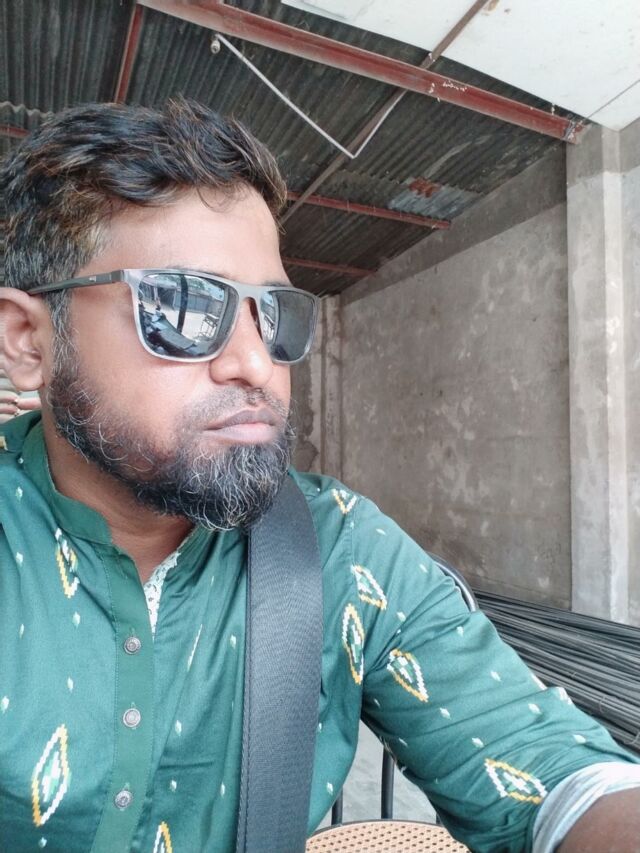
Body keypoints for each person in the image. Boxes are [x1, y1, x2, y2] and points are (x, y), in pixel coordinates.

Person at [0, 100, 638, 853]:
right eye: (183, 305)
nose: (256, 363)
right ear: (28, 342)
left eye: (274, 314)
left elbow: (556, 774)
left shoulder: (341, 547)